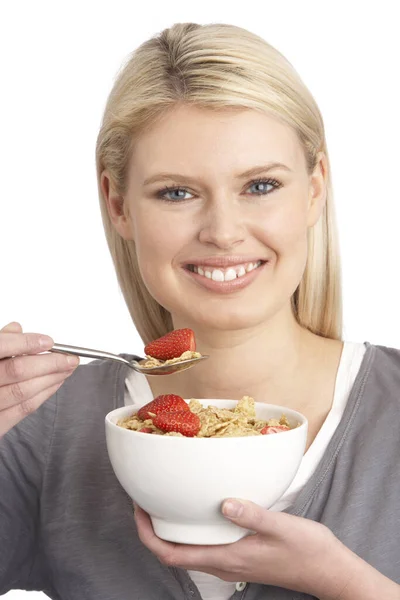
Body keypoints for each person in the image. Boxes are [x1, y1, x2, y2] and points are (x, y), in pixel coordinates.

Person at [0, 21, 399, 600]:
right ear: (119, 205)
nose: (224, 233)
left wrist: (343, 584)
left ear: (315, 189)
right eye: (176, 193)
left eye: (260, 186)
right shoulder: (42, 427)